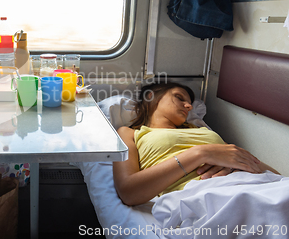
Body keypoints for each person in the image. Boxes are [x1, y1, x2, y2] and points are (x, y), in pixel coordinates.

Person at [113, 82, 279, 206]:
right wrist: (201, 153)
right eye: (179, 97)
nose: (189, 106)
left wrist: (234, 164)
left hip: (255, 184)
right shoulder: (130, 133)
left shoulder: (203, 131)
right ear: (150, 96)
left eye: (189, 103)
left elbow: (273, 174)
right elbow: (128, 192)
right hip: (206, 195)